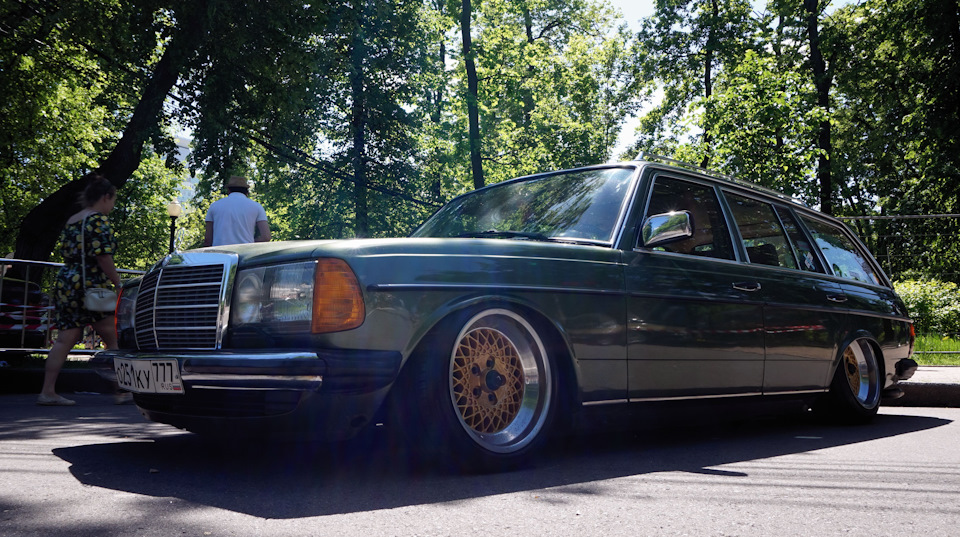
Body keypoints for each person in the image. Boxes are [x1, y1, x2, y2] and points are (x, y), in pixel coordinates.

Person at [38, 174, 122, 406]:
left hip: (67, 282)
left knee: (65, 339)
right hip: (91, 285)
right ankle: (121, 390)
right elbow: (103, 256)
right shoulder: (98, 220)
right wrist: (117, 283)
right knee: (113, 339)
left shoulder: (72, 220)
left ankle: (47, 391)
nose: (112, 206)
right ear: (105, 197)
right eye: (113, 200)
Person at [203, 175, 271, 247]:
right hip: (245, 251)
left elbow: (208, 240)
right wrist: (250, 242)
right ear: (247, 192)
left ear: (229, 190)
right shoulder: (257, 207)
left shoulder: (214, 206)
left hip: (220, 251)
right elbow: (266, 237)